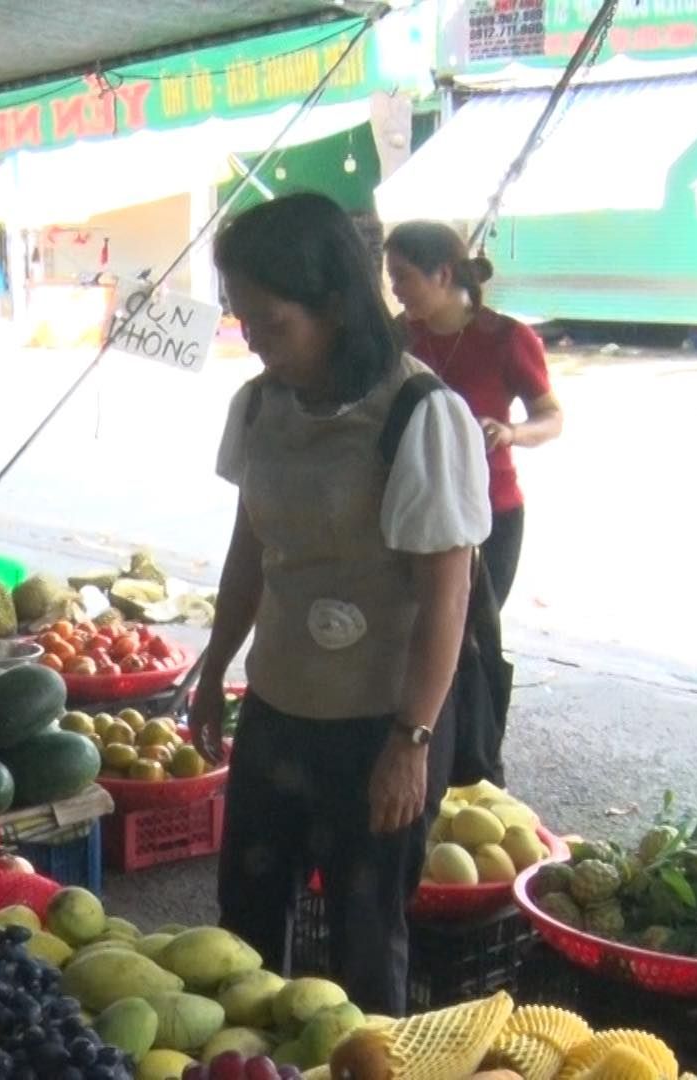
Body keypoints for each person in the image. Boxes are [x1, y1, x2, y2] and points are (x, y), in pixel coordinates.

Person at [188, 194, 491, 1014]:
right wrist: (214, 671)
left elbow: (447, 594)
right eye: (243, 319)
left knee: (364, 936)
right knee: (244, 927)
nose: (255, 339)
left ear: (333, 304)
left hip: (381, 723)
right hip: (279, 704)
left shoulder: (419, 414)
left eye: (272, 322)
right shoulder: (261, 406)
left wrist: (411, 740)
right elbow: (249, 551)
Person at [384, 222, 563, 606]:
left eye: (402, 277)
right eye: (392, 278)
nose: (395, 290)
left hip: (490, 508)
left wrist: (510, 432)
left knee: (473, 634)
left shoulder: (506, 337)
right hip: (412, 505)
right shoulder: (398, 336)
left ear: (443, 275)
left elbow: (551, 418)